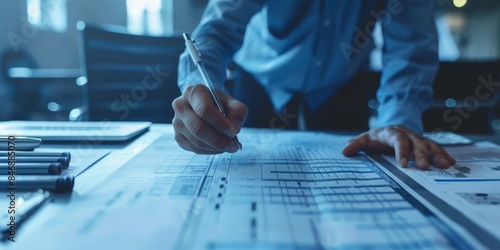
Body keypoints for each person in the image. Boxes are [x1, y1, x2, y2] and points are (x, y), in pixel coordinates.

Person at [172, 0, 456, 170]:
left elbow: (410, 46)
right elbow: (218, 29)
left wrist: (399, 120)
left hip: (342, 86)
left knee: (354, 170)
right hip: (260, 83)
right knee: (244, 159)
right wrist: (198, 86)